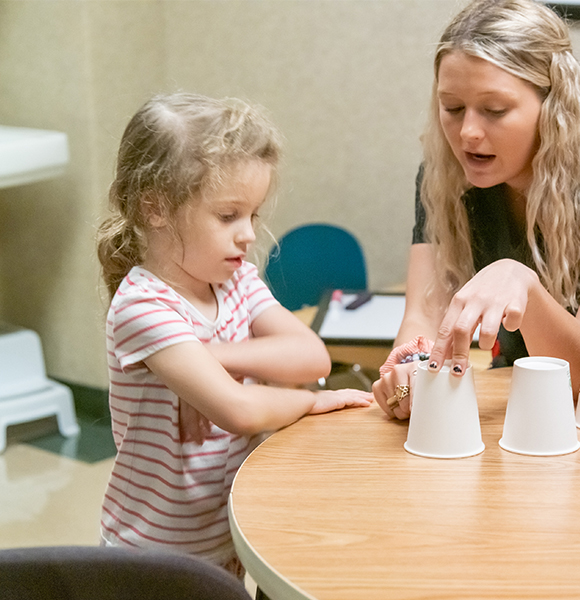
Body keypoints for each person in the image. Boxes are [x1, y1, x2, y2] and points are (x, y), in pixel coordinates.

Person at [373, 0, 580, 419]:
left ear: (554, 107)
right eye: (452, 108)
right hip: (526, 397)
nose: (468, 133)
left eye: (494, 111)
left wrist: (524, 287)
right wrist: (411, 371)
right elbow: (423, 314)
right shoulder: (445, 175)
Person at [95, 92, 372, 577]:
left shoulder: (236, 279)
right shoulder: (143, 305)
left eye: (253, 215)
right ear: (156, 208)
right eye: (228, 216)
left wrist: (216, 356)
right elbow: (240, 411)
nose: (247, 234)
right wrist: (307, 403)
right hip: (150, 557)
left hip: (223, 538)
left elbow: (312, 357)